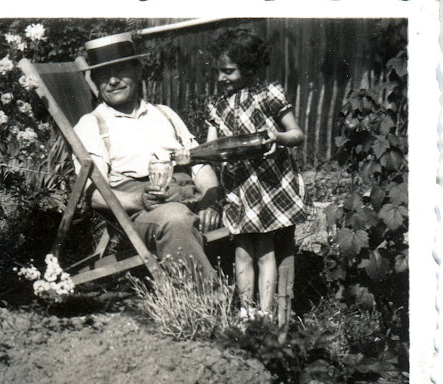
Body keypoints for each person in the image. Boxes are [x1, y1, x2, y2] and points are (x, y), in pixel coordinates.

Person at [73, 33, 224, 282]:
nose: (111, 81)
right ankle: (208, 306)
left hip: (191, 197)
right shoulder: (92, 125)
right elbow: (94, 195)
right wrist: (138, 200)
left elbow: (199, 164)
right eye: (102, 75)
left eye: (120, 70)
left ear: (137, 70)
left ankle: (264, 301)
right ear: (95, 81)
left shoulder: (163, 113)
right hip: (143, 213)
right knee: (175, 219)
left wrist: (212, 200)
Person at [206, 28, 308, 319]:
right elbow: (211, 146)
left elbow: (298, 134)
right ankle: (245, 312)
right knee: (241, 251)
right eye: (218, 71)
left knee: (265, 249)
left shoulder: (268, 96)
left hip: (267, 185)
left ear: (249, 68)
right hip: (238, 188)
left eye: (228, 71)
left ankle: (265, 313)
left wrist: (277, 137)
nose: (221, 78)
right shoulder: (217, 105)